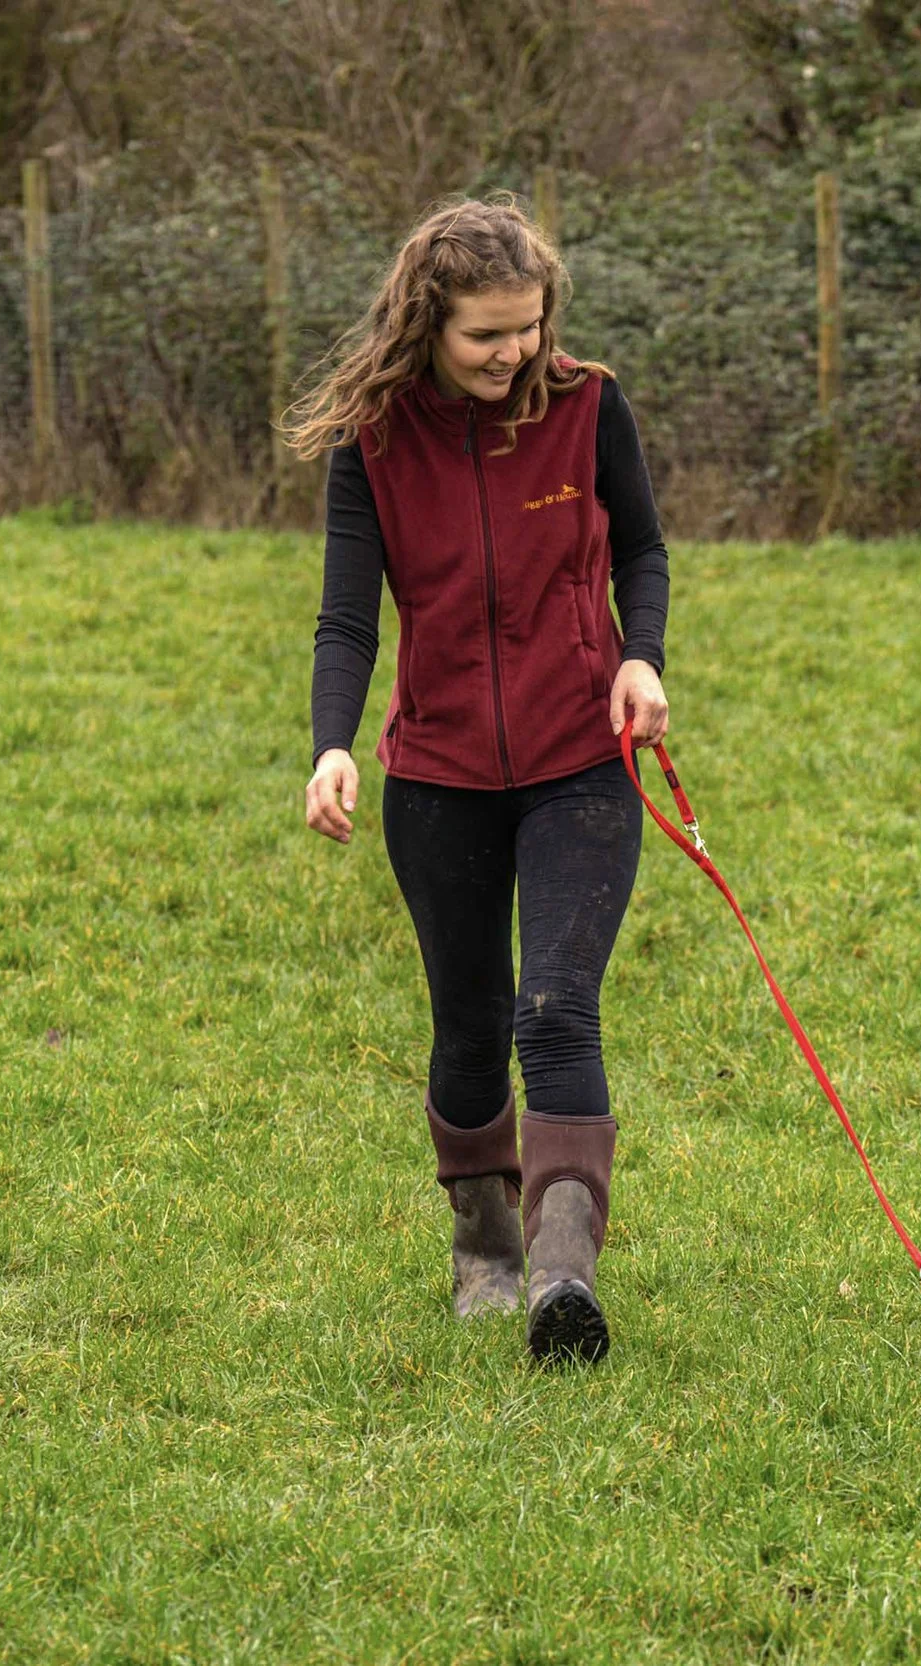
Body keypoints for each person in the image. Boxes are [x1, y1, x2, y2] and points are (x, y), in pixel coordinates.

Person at [283, 196, 670, 1365]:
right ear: (427, 324)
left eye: (529, 327)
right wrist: (332, 742)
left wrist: (640, 656)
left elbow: (643, 547)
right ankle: (487, 1252)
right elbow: (348, 614)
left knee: (554, 1007)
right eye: (486, 336)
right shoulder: (375, 438)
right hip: (440, 772)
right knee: (466, 1024)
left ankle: (563, 1273)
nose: (515, 355)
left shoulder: (589, 405)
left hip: (578, 759)